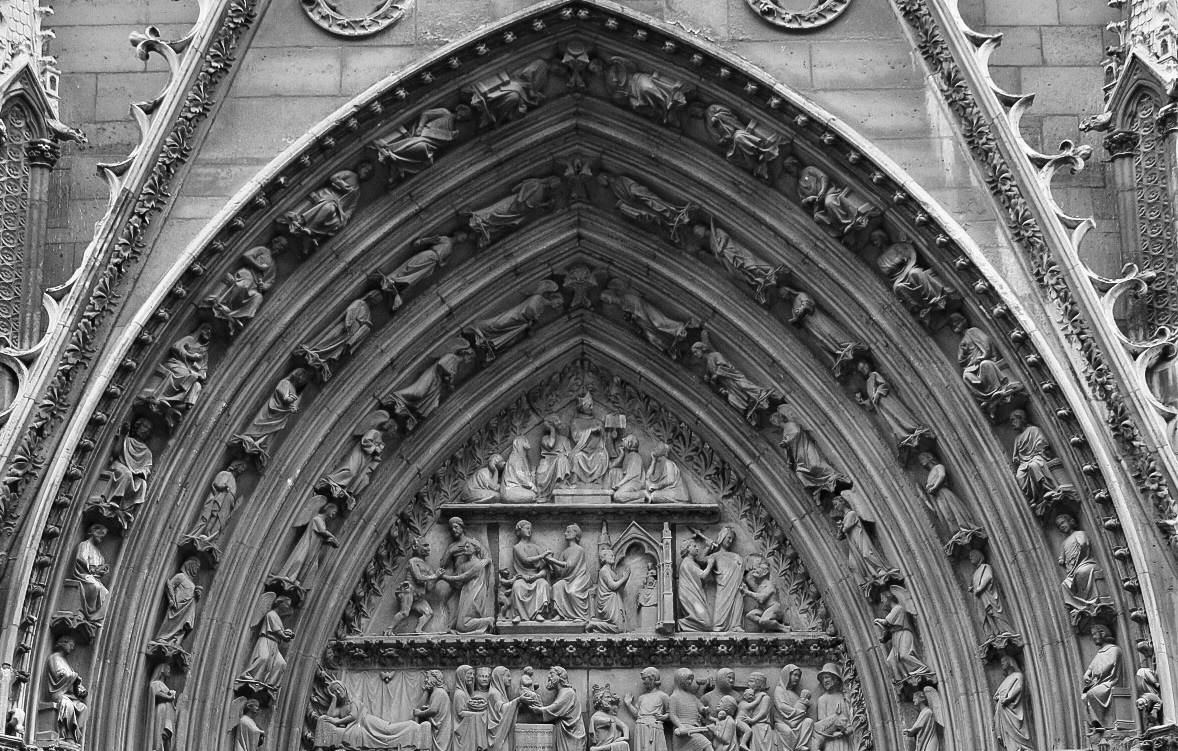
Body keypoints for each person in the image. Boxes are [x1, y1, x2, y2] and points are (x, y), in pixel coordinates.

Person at [319, 680, 430, 749]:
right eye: (335, 692)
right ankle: (413, 728)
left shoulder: (353, 702)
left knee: (388, 730)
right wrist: (333, 699)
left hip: (369, 722)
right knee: (387, 735)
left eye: (339, 689)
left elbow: (353, 716)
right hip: (364, 727)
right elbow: (329, 716)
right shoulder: (340, 708)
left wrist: (337, 721)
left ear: (345, 689)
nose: (338, 692)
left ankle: (413, 727)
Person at [524, 667, 588, 751]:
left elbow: (556, 707)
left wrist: (540, 710)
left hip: (573, 735)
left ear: (559, 676)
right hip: (565, 734)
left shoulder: (569, 692)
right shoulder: (561, 692)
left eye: (551, 674)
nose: (548, 677)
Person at [153, 558, 202, 646]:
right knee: (171, 621)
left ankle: (176, 642)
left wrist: (197, 595)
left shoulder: (193, 584)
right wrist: (171, 599)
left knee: (184, 625)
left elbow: (193, 600)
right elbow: (169, 586)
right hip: (177, 607)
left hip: (187, 609)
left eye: (198, 569)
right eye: (196, 567)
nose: (196, 570)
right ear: (190, 566)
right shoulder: (181, 576)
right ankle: (163, 637)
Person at [704, 526, 745, 632]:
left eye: (732, 539)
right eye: (728, 538)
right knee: (720, 609)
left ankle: (735, 625)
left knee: (738, 599)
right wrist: (708, 547)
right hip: (723, 586)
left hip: (737, 586)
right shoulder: (715, 556)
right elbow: (701, 560)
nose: (730, 541)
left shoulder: (736, 556)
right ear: (722, 537)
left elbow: (741, 571)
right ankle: (719, 625)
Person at [511, 520, 552, 621]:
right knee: (517, 586)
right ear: (519, 531)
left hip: (536, 577)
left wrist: (537, 576)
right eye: (526, 528)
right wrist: (543, 555)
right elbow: (526, 559)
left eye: (530, 528)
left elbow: (545, 568)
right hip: (522, 578)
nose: (529, 530)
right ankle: (518, 614)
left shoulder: (536, 548)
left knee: (543, 584)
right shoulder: (517, 547)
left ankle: (538, 612)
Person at [550, 524, 592, 621]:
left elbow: (570, 565)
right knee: (557, 586)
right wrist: (550, 562)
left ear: (575, 534)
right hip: (567, 579)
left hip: (580, 578)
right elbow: (559, 572)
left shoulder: (579, 549)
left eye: (568, 531)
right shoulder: (564, 552)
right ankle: (560, 613)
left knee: (573, 592)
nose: (565, 533)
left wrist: (553, 561)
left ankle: (581, 616)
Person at [624, 667, 671, 751]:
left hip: (654, 728)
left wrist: (664, 717)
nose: (643, 682)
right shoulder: (642, 697)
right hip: (640, 727)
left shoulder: (663, 696)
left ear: (652, 678)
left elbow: (671, 713)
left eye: (644, 679)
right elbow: (637, 714)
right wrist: (629, 704)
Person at [668, 668, 714, 751]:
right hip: (683, 731)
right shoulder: (674, 697)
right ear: (680, 680)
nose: (690, 681)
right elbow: (672, 715)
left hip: (694, 728)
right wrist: (680, 726)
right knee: (707, 746)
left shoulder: (692, 696)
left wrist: (704, 709)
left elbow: (700, 707)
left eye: (691, 679)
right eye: (687, 679)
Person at [587, 546, 630, 633]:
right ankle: (593, 624)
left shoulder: (613, 572)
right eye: (611, 556)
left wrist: (626, 578)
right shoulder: (604, 570)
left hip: (614, 600)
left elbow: (619, 590)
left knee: (622, 628)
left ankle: (596, 622)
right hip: (608, 602)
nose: (613, 557)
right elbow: (613, 586)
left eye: (613, 556)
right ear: (604, 558)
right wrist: (624, 578)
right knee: (619, 629)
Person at [993, 656, 1032, 751]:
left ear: (1010, 662)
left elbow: (1018, 688)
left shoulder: (1018, 675)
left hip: (1013, 711)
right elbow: (997, 695)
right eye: (1001, 661)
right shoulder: (1006, 679)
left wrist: (1007, 699)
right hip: (1004, 712)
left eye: (1004, 661)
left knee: (1017, 734)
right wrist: (999, 698)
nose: (1002, 663)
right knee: (1009, 737)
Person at [74, 524, 110, 626]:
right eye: (101, 533)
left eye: (104, 535)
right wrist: (92, 569)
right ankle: (85, 613)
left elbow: (101, 564)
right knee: (95, 586)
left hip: (92, 576)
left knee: (106, 593)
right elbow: (80, 559)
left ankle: (94, 617)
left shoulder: (98, 552)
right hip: (83, 574)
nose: (102, 537)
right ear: (94, 532)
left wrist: (102, 570)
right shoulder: (85, 545)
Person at [773, 665, 814, 751]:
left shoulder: (795, 695)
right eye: (794, 675)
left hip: (797, 721)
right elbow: (781, 707)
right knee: (788, 732)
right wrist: (797, 712)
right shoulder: (779, 690)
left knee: (808, 721)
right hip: (782, 722)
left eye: (798, 676)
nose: (797, 678)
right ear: (787, 675)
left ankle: (800, 746)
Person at [812, 664, 853, 751]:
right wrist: (834, 733)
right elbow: (822, 725)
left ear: (835, 679)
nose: (824, 681)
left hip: (845, 739)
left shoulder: (844, 697)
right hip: (831, 740)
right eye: (823, 678)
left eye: (827, 677)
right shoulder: (822, 699)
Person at [677, 540, 714, 632]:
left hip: (694, 593)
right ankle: (681, 623)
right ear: (687, 549)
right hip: (690, 594)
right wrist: (710, 564)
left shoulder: (692, 562)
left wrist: (708, 547)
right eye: (694, 546)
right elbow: (703, 575)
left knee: (706, 623)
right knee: (706, 624)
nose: (697, 548)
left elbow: (700, 561)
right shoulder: (687, 563)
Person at [415, 670, 454, 751]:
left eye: (428, 677)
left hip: (440, 728)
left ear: (435, 679)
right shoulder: (435, 692)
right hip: (437, 726)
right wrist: (426, 692)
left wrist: (420, 713)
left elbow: (433, 710)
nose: (426, 680)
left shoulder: (439, 692)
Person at [455, 665, 490, 751]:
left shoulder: (467, 692)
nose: (472, 677)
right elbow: (460, 713)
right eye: (469, 674)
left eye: (473, 674)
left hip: (469, 731)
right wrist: (478, 715)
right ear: (462, 676)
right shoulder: (460, 693)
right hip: (463, 732)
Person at [488, 666, 521, 751]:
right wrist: (517, 700)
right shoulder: (494, 693)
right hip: (498, 734)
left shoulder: (500, 693)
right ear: (500, 677)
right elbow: (503, 709)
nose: (510, 679)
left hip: (502, 731)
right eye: (508, 676)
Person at [590, 686, 632, 751]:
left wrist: (625, 737)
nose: (610, 700)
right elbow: (609, 722)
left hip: (611, 746)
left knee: (624, 744)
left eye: (610, 697)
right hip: (604, 745)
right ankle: (598, 749)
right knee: (623, 745)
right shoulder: (596, 717)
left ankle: (598, 749)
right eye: (607, 697)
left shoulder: (611, 716)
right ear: (599, 700)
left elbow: (624, 726)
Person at [149, 663, 177, 751]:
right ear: (162, 670)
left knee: (166, 734)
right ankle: (158, 748)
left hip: (167, 712)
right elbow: (157, 693)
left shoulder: (164, 685)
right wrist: (170, 696)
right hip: (162, 709)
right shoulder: (157, 683)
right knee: (160, 732)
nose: (169, 671)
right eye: (167, 669)